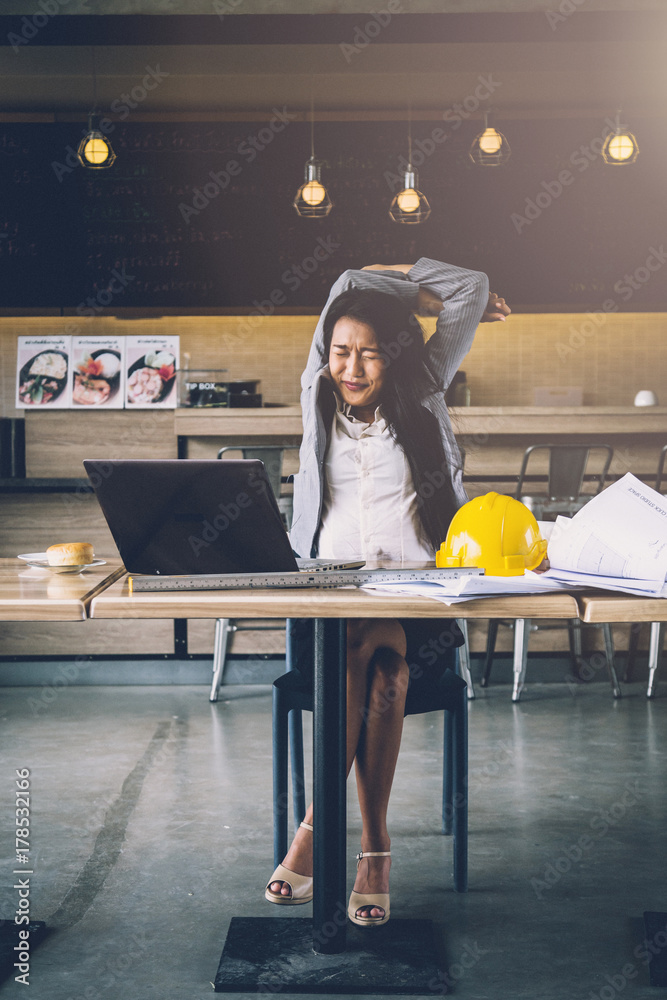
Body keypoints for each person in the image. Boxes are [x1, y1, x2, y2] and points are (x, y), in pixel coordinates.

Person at [265, 258, 510, 926]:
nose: (350, 366)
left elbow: (472, 287)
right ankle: (373, 847)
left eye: (368, 354)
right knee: (383, 671)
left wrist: (415, 289)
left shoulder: (424, 387)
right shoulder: (316, 394)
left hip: (425, 598)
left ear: (394, 357)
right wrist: (409, 293)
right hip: (331, 600)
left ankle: (315, 831)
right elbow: (343, 281)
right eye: (341, 351)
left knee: (382, 643)